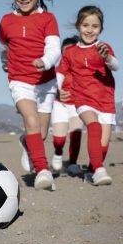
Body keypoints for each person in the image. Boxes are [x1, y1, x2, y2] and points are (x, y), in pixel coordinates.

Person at [0, 0, 60, 190]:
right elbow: (3, 48)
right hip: (19, 81)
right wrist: (4, 62)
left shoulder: (48, 19)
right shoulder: (6, 21)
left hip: (46, 83)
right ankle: (42, 170)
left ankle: (26, 141)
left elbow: (54, 49)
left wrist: (45, 61)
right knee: (31, 121)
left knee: (40, 134)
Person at [57, 6, 119, 186]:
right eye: (85, 25)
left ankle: (92, 170)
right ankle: (99, 170)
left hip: (106, 100)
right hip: (83, 99)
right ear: (78, 26)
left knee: (103, 145)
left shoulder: (104, 48)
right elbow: (61, 72)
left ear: (101, 29)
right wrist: (58, 88)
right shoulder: (70, 52)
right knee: (94, 125)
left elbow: (116, 66)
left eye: (95, 26)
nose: (90, 30)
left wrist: (107, 58)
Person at [50, 36, 83, 176]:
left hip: (77, 106)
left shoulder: (83, 70)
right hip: (60, 105)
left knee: (76, 135)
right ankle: (58, 153)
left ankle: (73, 163)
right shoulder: (56, 71)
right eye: (65, 52)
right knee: (59, 140)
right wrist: (57, 93)